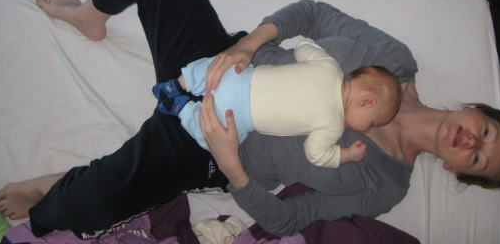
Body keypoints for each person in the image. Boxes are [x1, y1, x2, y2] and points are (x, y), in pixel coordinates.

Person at [0, 0, 500, 239]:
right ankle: (92, 15)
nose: (471, 142)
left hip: (208, 148)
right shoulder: (394, 60)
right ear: (475, 110)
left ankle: (61, 182)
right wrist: (248, 45)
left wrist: (232, 169)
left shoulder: (385, 186)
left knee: (77, 210)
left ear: (457, 171)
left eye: (478, 159)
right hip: (221, 60)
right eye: (486, 133)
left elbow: (289, 220)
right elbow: (313, 13)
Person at [154, 39, 401, 167]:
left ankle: (179, 84)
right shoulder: (333, 125)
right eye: (371, 123)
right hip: (236, 116)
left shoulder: (331, 67)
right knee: (211, 136)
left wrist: (313, 52)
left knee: (213, 66)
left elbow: (303, 47)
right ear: (367, 101)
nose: (367, 129)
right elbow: (316, 154)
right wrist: (347, 154)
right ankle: (182, 108)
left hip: (240, 76)